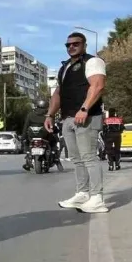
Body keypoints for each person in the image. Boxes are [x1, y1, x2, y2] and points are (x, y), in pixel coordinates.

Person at [45, 32, 107, 213]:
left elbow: (98, 86)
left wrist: (84, 109)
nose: (71, 47)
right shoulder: (65, 67)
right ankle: (82, 194)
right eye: (68, 45)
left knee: (89, 157)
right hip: (68, 118)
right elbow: (58, 93)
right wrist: (49, 115)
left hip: (87, 117)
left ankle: (97, 198)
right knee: (77, 159)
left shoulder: (92, 61)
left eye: (76, 43)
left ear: (84, 45)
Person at [21, 99, 61, 171]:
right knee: (54, 142)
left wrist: (23, 137)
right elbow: (52, 126)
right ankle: (55, 158)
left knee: (26, 143)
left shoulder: (30, 115)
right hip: (45, 136)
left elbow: (25, 126)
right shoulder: (48, 115)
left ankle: (28, 156)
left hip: (32, 137)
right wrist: (56, 130)